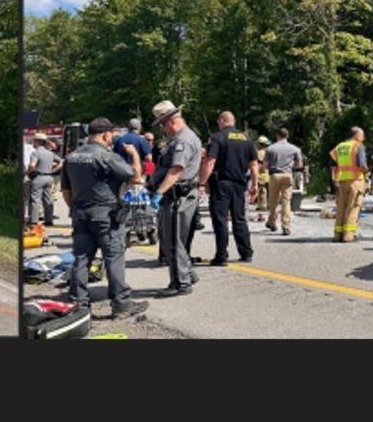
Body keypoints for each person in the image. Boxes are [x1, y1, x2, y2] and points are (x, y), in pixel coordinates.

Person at [60, 117, 149, 319]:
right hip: (106, 216)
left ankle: (79, 305)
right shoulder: (107, 157)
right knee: (113, 258)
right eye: (112, 135)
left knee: (81, 259)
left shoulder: (71, 157)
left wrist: (75, 208)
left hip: (80, 214)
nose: (113, 138)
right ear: (106, 134)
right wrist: (134, 154)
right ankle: (121, 304)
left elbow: (66, 190)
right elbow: (136, 177)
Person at [149, 100, 202, 297]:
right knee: (171, 238)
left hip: (177, 196)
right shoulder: (179, 139)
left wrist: (159, 192)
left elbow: (176, 170)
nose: (162, 129)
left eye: (162, 125)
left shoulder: (183, 141)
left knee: (173, 240)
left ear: (171, 121)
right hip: (176, 195)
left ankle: (180, 283)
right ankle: (186, 273)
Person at [199, 111, 258, 265]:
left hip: (221, 184)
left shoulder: (217, 137)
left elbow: (210, 162)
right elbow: (253, 164)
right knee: (239, 219)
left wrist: (201, 183)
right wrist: (255, 184)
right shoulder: (246, 139)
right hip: (240, 184)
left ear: (222, 121)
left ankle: (221, 255)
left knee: (220, 219)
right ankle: (246, 252)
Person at [329, 127, 369, 242]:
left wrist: (334, 179)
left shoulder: (339, 147)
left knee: (341, 208)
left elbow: (333, 165)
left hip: (342, 181)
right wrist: (367, 172)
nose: (363, 137)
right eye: (362, 135)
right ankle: (348, 235)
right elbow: (362, 164)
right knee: (352, 208)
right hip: (355, 181)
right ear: (356, 135)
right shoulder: (358, 146)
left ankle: (337, 235)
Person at [263, 128, 303, 236]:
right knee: (286, 201)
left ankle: (272, 222)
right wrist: (290, 167)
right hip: (288, 175)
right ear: (287, 136)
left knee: (273, 201)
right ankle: (286, 226)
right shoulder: (295, 149)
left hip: (274, 175)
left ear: (277, 135)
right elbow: (299, 165)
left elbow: (265, 165)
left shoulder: (270, 148)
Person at [27, 132, 59, 226]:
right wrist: (53, 170)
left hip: (38, 177)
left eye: (34, 141)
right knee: (48, 199)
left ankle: (34, 220)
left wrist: (29, 172)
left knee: (35, 199)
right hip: (49, 177)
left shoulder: (35, 152)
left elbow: (32, 165)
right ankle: (49, 220)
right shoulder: (50, 153)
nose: (33, 142)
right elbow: (61, 161)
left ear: (38, 142)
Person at [255, 135, 271, 216]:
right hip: (269, 173)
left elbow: (258, 164)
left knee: (262, 190)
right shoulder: (269, 152)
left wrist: (256, 173)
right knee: (269, 190)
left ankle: (262, 206)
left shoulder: (259, 153)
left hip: (262, 173)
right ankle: (270, 205)